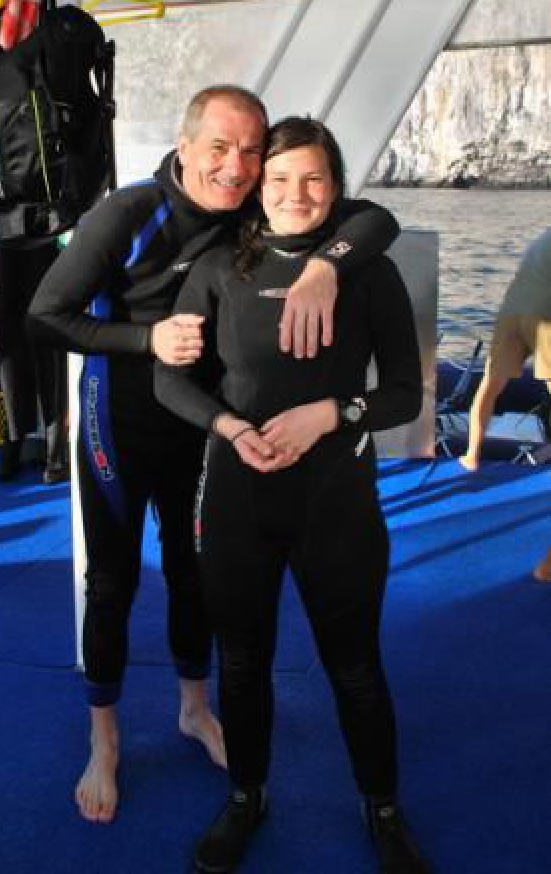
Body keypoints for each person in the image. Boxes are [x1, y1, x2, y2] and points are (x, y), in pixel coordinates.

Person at [27, 86, 400, 826]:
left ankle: (194, 709)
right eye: (220, 148)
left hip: (202, 421)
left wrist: (325, 265)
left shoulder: (248, 209)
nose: (236, 166)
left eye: (251, 151)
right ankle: (104, 738)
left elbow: (373, 219)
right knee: (112, 583)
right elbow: (45, 314)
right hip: (120, 417)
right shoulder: (129, 212)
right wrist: (146, 339)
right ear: (185, 145)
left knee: (194, 576)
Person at [154, 116, 427, 874]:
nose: (295, 194)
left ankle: (382, 809)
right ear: (258, 189)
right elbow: (170, 380)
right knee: (242, 663)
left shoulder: (369, 273)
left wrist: (332, 412)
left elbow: (404, 393)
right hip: (238, 498)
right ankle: (247, 797)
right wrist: (229, 426)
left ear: (336, 188)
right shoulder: (219, 269)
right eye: (278, 179)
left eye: (313, 179)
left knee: (355, 667)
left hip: (335, 503)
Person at [460, 226, 551, 473]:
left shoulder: (542, 238)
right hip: (545, 316)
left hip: (511, 312)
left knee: (489, 386)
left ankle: (471, 455)